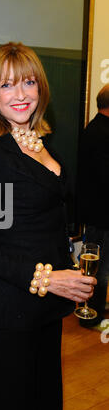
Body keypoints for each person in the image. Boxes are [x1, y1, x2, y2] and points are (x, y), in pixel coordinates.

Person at [0, 42, 97, 410]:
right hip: (10, 308)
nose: (20, 95)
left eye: (29, 82)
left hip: (47, 307)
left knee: (47, 400)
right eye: (6, 85)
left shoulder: (41, 141)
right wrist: (47, 278)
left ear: (41, 88)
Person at [78, 83, 109, 328]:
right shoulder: (102, 133)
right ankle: (92, 313)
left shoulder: (94, 128)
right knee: (100, 267)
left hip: (96, 211)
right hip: (102, 213)